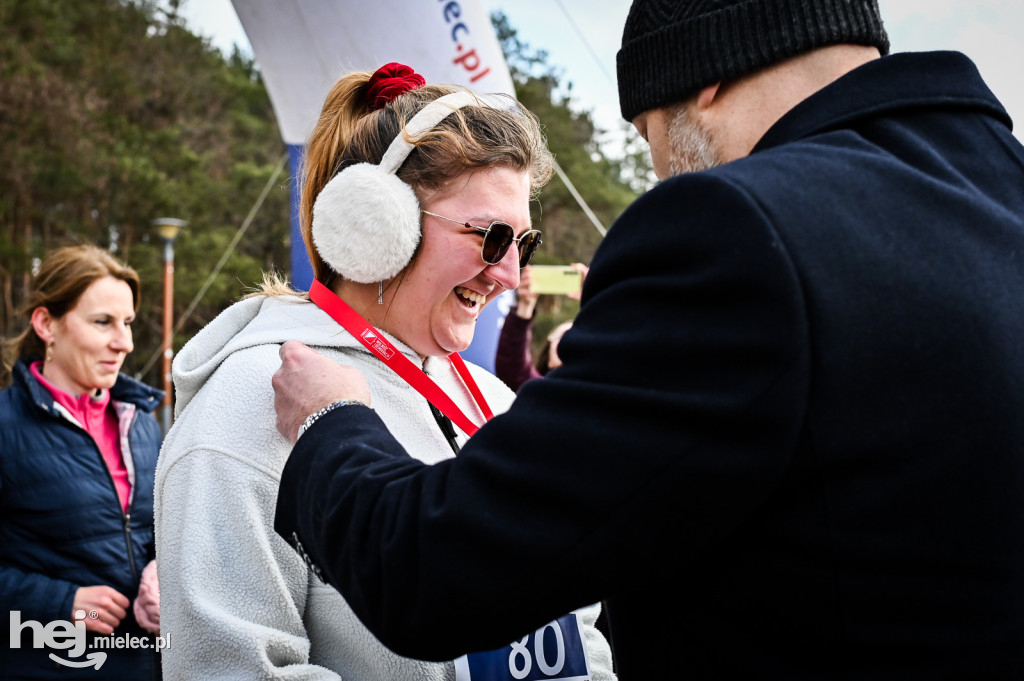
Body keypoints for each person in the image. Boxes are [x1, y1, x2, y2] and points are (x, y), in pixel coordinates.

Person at [270, 0, 1024, 678]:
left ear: (703, 77)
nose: (662, 176)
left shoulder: (736, 228)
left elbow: (433, 572)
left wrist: (330, 422)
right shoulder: (999, 189)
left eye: (650, 136)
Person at [153, 63, 615, 680]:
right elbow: (232, 669)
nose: (508, 275)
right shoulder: (250, 400)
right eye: (491, 236)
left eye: (523, 245)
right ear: (377, 224)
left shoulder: (498, 403)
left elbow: (576, 624)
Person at [0, 244, 163, 679]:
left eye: (126, 323)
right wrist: (57, 603)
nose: (124, 342)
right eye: (102, 322)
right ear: (46, 324)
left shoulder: (143, 425)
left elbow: (160, 535)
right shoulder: (5, 427)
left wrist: (160, 572)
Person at [494, 264, 586, 391]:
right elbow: (512, 364)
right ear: (549, 359)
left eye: (578, 335)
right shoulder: (538, 390)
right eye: (564, 335)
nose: (570, 340)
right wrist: (525, 306)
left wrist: (596, 295)